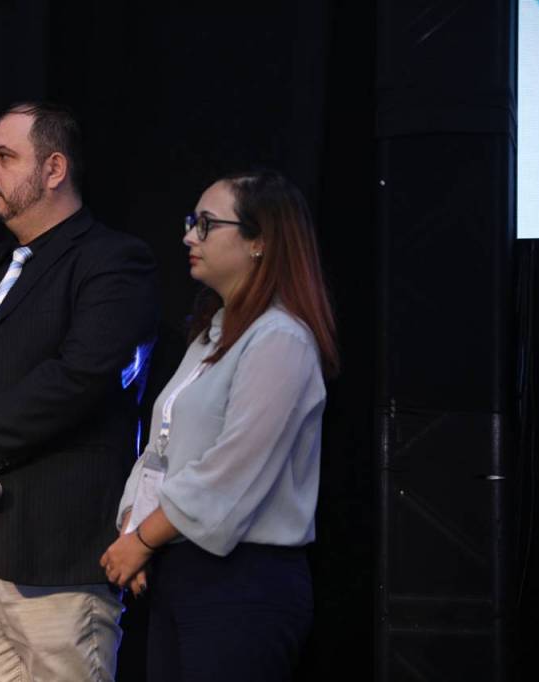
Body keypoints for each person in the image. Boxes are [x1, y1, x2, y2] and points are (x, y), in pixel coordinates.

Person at [0, 102, 159, 681]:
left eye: (4, 157)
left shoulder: (113, 261)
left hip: (52, 551)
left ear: (54, 168)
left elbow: (77, 379)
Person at [100, 170, 339, 681]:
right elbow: (161, 449)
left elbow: (229, 471)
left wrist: (142, 540)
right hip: (181, 571)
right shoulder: (211, 336)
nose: (190, 237)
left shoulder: (280, 339)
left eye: (206, 224)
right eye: (192, 222)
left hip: (243, 583)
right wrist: (133, 527)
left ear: (259, 241)